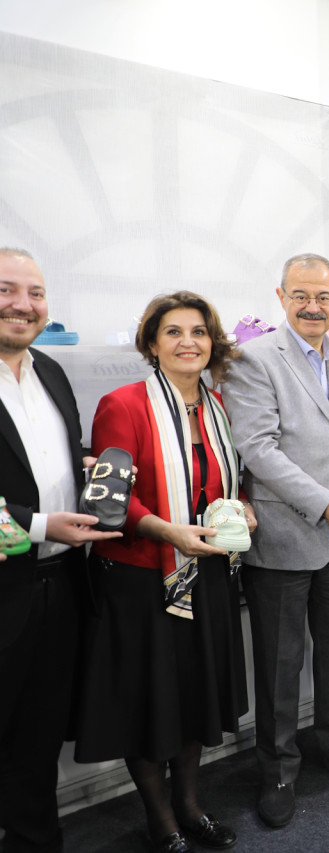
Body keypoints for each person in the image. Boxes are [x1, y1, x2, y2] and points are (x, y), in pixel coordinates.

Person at [222, 254, 329, 830]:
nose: (313, 306)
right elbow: (258, 449)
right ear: (281, 297)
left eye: (323, 296)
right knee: (280, 664)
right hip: (283, 536)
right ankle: (276, 771)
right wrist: (324, 503)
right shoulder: (253, 359)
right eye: (301, 295)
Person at [75, 291, 252, 853]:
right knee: (151, 703)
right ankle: (161, 819)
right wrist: (168, 531)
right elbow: (110, 503)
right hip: (142, 581)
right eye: (173, 332)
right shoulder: (122, 405)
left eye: (198, 332)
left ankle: (191, 805)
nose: (187, 343)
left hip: (207, 576)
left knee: (193, 697)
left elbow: (222, 481)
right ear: (152, 344)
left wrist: (242, 507)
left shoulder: (217, 407)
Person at [0, 248, 121, 853]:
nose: (23, 305)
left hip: (60, 587)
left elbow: (51, 458)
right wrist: (45, 524)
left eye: (36, 292)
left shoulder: (49, 370)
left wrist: (85, 470)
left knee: (38, 740)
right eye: (6, 289)